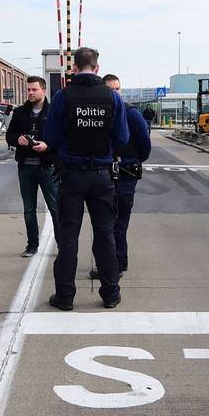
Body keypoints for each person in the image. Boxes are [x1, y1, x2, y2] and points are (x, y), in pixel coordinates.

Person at [42, 47, 130, 310]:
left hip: (72, 176)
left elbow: (51, 138)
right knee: (105, 235)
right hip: (102, 176)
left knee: (68, 237)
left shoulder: (62, 97)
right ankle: (111, 293)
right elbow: (123, 138)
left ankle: (65, 296)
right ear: (97, 68)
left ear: (74, 68)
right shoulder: (111, 97)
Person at [93, 75, 151, 278]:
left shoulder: (130, 113)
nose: (115, 93)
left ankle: (114, 265)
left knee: (118, 221)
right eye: (110, 90)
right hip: (105, 172)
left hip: (125, 172)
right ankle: (117, 261)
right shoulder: (99, 113)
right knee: (107, 221)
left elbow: (144, 141)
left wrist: (133, 160)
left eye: (117, 89)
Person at [5, 75, 59, 257]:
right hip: (26, 168)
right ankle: (32, 245)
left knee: (55, 208)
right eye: (28, 89)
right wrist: (17, 139)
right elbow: (9, 135)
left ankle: (62, 245)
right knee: (29, 209)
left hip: (47, 167)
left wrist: (48, 146)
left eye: (34, 89)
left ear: (43, 90)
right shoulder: (20, 112)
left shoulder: (53, 111)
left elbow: (62, 138)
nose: (30, 92)